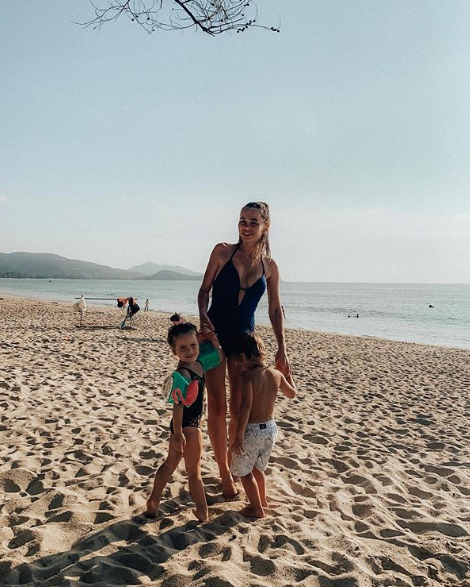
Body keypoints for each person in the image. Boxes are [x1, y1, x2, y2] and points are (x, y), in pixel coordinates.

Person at [198, 201, 290, 499]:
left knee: (238, 408)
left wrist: (282, 347)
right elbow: (204, 291)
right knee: (217, 406)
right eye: (242, 221)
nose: (246, 227)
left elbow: (275, 309)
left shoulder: (270, 266)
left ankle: (234, 463)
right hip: (212, 337)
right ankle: (225, 474)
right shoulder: (222, 251)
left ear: (266, 226)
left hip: (244, 343)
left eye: (253, 222)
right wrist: (203, 318)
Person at [146, 319, 218, 522]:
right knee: (194, 472)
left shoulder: (199, 363)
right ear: (174, 351)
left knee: (170, 464)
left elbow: (218, 357)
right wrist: (178, 434)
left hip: (186, 425)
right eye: (183, 348)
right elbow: (177, 406)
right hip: (188, 426)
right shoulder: (183, 373)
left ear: (198, 342)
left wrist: (213, 340)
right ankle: (202, 511)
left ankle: (154, 501)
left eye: (193, 345)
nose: (189, 351)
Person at [230, 332, 296, 518]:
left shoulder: (247, 377)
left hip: (252, 430)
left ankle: (256, 507)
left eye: (240, 361)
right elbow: (292, 394)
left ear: (243, 357)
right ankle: (263, 500)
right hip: (271, 429)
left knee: (245, 472)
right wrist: (288, 375)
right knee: (257, 468)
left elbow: (246, 406)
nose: (240, 365)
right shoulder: (276, 374)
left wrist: (238, 435)